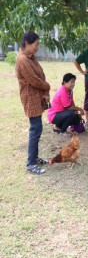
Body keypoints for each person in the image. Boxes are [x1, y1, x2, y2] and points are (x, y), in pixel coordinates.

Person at [15, 32, 51, 174]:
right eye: (35, 45)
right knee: (35, 129)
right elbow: (33, 80)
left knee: (37, 128)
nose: (37, 47)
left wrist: (45, 92)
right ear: (27, 44)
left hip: (37, 96)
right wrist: (47, 87)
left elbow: (40, 74)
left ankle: (35, 158)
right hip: (30, 98)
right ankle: (30, 163)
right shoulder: (22, 60)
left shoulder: (31, 57)